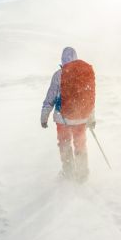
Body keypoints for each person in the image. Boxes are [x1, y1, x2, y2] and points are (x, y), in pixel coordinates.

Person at [41, 47, 96, 183]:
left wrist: (44, 117)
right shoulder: (84, 74)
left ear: (62, 59)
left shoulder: (58, 75)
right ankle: (82, 175)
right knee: (80, 145)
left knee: (64, 145)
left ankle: (69, 172)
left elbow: (50, 99)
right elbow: (88, 99)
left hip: (62, 119)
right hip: (81, 119)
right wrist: (91, 119)